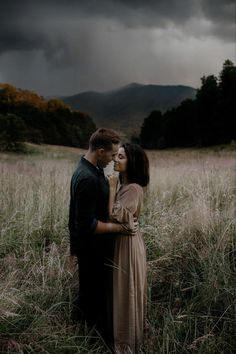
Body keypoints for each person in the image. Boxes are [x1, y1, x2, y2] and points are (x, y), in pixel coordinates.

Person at [68, 128, 137, 341]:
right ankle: (90, 338)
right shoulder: (88, 177)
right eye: (111, 154)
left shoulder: (90, 168)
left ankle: (84, 329)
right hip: (92, 248)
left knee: (91, 291)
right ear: (99, 151)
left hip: (92, 247)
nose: (113, 159)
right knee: (93, 295)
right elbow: (86, 225)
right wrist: (120, 228)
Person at [108, 143, 150, 354]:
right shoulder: (127, 186)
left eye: (121, 157)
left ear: (131, 162)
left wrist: (112, 189)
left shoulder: (132, 187)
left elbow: (114, 215)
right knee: (123, 289)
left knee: (126, 290)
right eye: (116, 155)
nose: (115, 159)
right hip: (124, 241)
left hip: (128, 245)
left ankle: (126, 344)